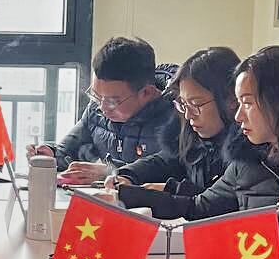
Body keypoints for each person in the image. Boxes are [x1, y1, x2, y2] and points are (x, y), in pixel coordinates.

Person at [133, 44, 279, 220]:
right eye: (239, 103)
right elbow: (199, 207)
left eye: (247, 103)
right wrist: (126, 195)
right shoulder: (246, 160)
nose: (238, 116)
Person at [110, 46, 248, 205]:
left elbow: (222, 202)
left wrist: (172, 190)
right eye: (183, 104)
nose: (188, 115)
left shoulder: (246, 149)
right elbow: (166, 161)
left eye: (196, 104)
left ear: (231, 100)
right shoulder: (191, 135)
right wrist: (127, 175)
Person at [40, 36, 182, 184]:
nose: (102, 108)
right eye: (96, 96)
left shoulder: (179, 118)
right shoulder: (96, 109)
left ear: (146, 92)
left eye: (112, 101)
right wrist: (51, 154)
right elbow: (69, 150)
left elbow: (175, 174)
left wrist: (112, 172)